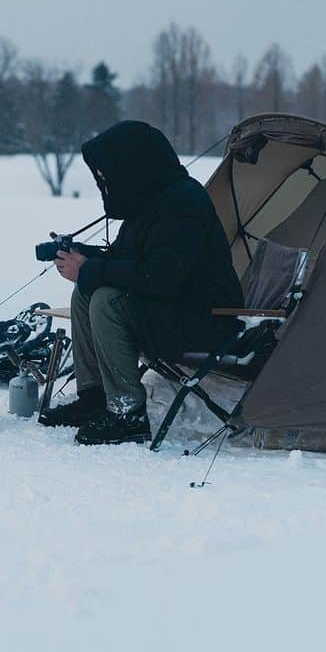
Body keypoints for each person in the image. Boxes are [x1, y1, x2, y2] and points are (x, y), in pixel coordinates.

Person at [39, 120, 243, 446]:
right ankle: (95, 397)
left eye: (106, 177)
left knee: (106, 298)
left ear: (131, 166)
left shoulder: (183, 203)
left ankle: (127, 413)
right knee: (86, 291)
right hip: (168, 313)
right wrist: (84, 258)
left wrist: (91, 269)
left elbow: (162, 276)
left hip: (202, 319)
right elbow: (127, 259)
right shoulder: (148, 202)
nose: (104, 184)